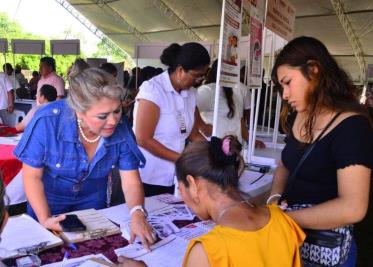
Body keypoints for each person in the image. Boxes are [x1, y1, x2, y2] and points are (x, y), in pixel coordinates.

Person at [14, 68, 155, 249]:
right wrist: (45, 219)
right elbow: (32, 176)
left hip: (93, 203)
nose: (113, 121)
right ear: (79, 112)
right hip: (48, 202)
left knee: (93, 250)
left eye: (117, 111)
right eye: (102, 116)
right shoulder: (47, 121)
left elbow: (130, 180)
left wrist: (137, 213)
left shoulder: (121, 128)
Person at [118, 136, 305, 267]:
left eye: (181, 190)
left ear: (192, 184)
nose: (183, 199)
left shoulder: (209, 251)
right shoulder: (283, 220)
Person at [268, 36, 373, 266]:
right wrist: (274, 198)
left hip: (327, 249)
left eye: (287, 82)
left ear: (313, 71)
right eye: (281, 86)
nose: (284, 94)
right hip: (291, 243)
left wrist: (285, 219)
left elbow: (353, 207)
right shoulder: (301, 113)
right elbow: (286, 163)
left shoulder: (352, 126)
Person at [133, 42, 210, 197]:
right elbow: (143, 139)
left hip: (176, 174)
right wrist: (182, 160)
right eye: (196, 76)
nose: (199, 81)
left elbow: (194, 134)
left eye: (203, 76)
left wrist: (212, 152)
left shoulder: (191, 94)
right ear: (180, 70)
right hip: (150, 175)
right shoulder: (153, 90)